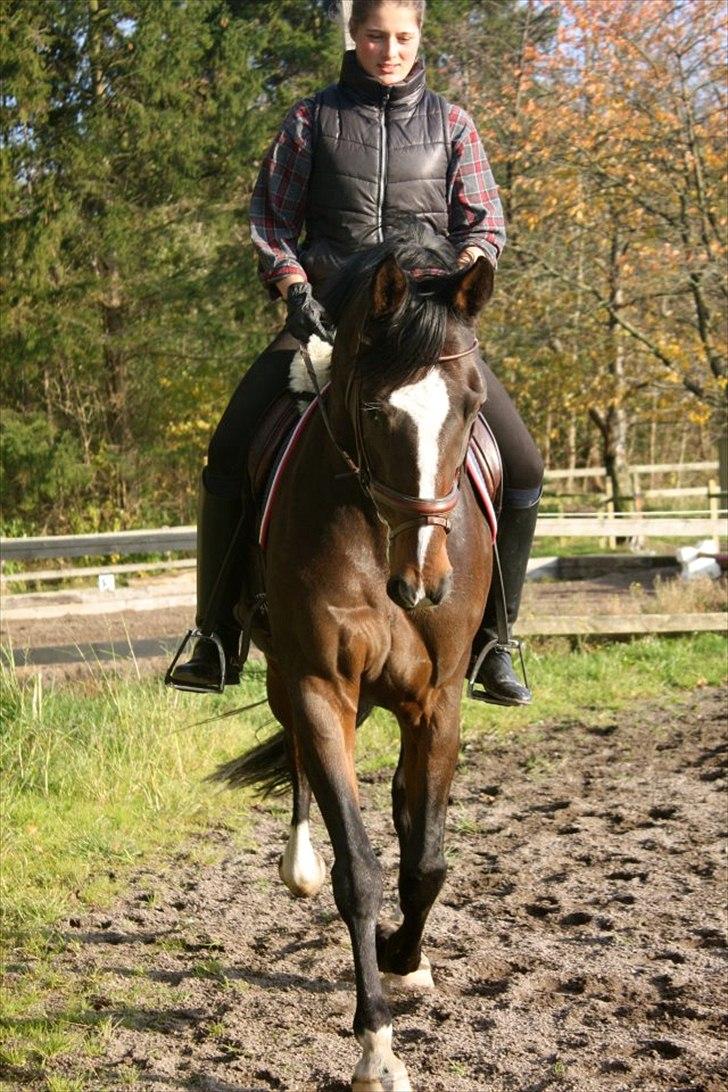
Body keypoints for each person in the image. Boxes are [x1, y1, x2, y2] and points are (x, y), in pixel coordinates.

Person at [168, 0, 543, 705]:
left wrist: (465, 270)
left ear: (419, 35)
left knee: (522, 464)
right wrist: (293, 286)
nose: (389, 50)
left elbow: (484, 224)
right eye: (375, 36)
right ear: (354, 35)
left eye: (402, 37)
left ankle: (497, 640)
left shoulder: (453, 124)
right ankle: (216, 636)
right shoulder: (309, 122)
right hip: (328, 321)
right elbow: (271, 224)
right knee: (228, 449)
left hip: (424, 327)